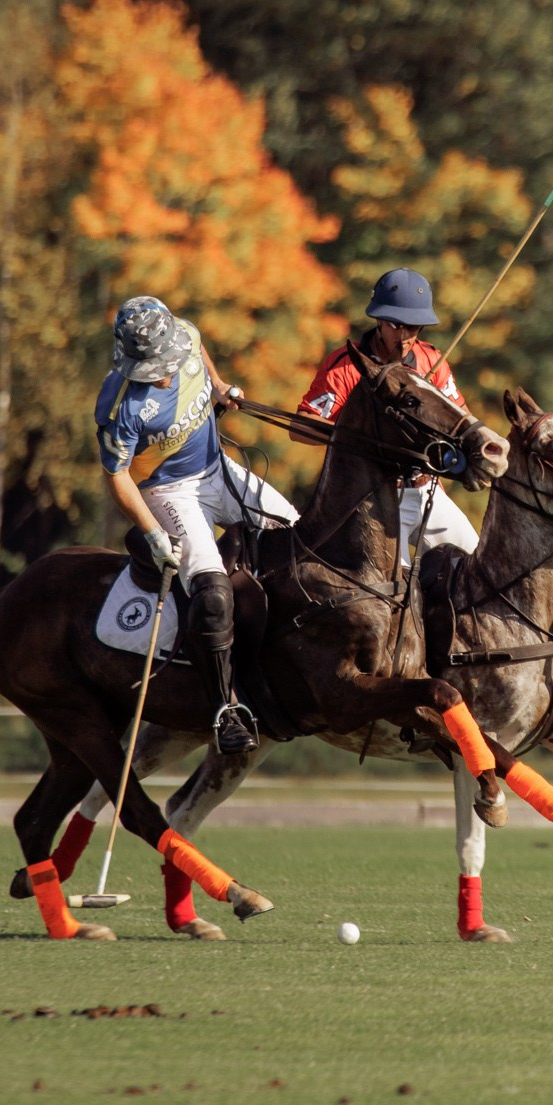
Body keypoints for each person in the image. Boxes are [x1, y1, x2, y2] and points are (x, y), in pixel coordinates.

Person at [96, 296, 297, 755]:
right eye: (153, 369)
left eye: (167, 362)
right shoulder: (119, 407)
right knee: (211, 589)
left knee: (298, 538)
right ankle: (225, 709)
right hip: (169, 493)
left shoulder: (184, 334)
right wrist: (152, 533)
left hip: (218, 469)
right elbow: (116, 476)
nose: (164, 374)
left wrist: (221, 387)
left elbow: (198, 347)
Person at [296, 268, 480, 565]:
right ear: (379, 320)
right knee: (396, 594)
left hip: (427, 490)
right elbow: (300, 427)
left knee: (477, 571)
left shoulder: (432, 360)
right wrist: (358, 436)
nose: (406, 336)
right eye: (397, 325)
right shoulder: (346, 366)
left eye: (415, 327)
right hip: (373, 501)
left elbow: (462, 419)